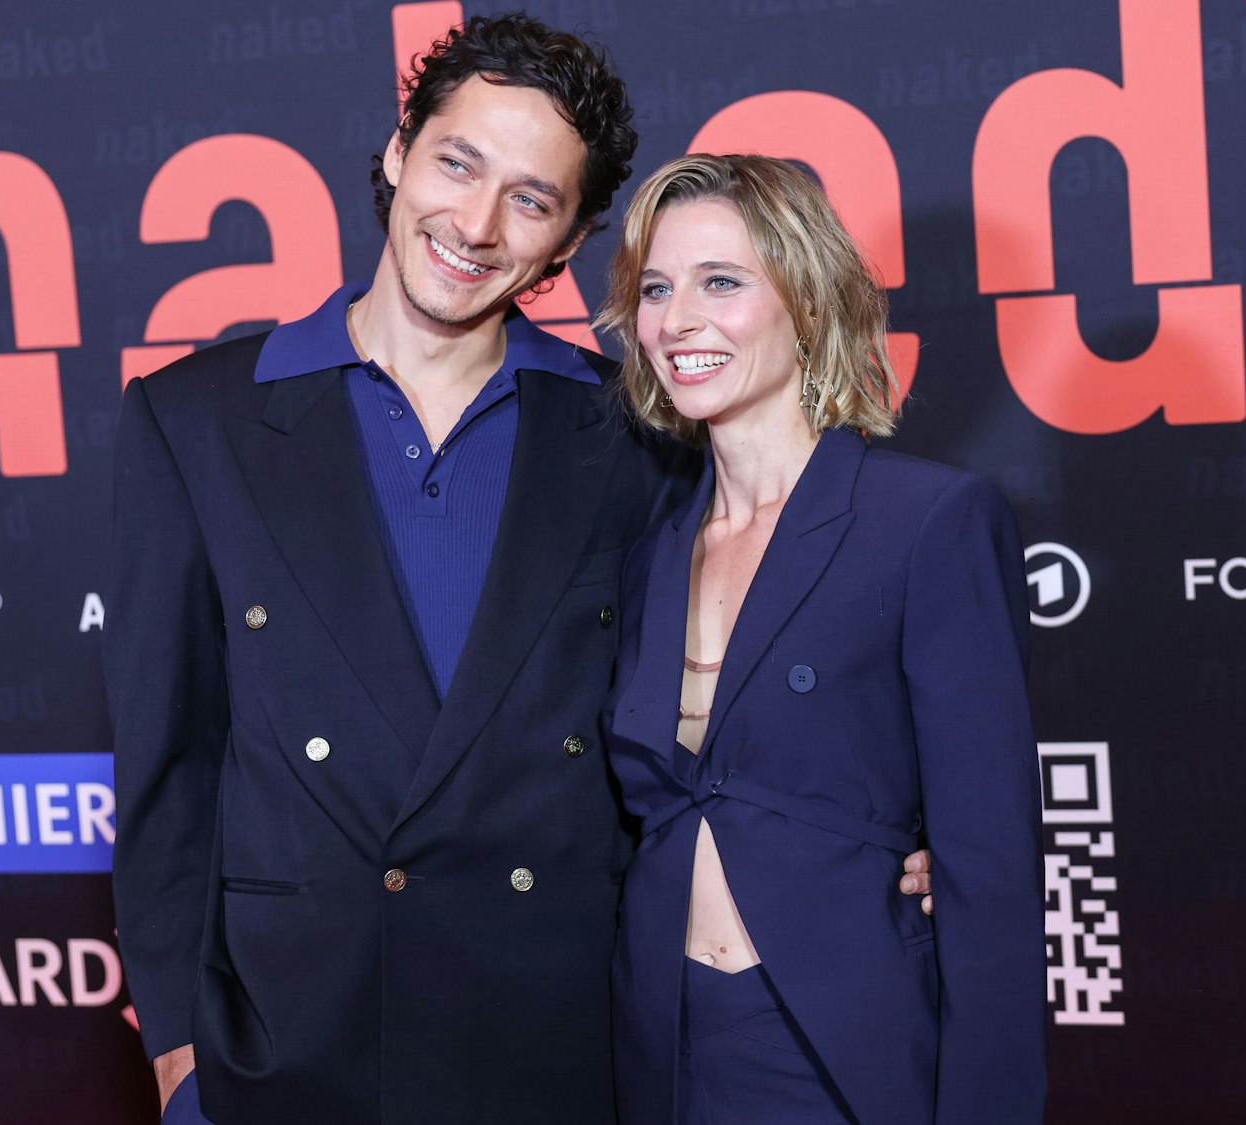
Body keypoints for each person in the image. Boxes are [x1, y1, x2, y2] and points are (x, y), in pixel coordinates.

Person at [104, 18, 936, 1125]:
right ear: (398, 154)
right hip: (283, 1037)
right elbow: (167, 766)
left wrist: (858, 831)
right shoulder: (196, 418)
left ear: (569, 240)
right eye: (457, 163)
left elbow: (731, 691)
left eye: (531, 200)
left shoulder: (633, 432)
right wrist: (176, 1051)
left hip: (552, 1036)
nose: (476, 224)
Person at [596, 154, 1048, 1124]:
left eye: (720, 282)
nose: (677, 320)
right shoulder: (646, 558)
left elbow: (991, 872)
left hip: (843, 1043)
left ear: (805, 301)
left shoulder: (924, 521)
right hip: (660, 1049)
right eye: (655, 289)